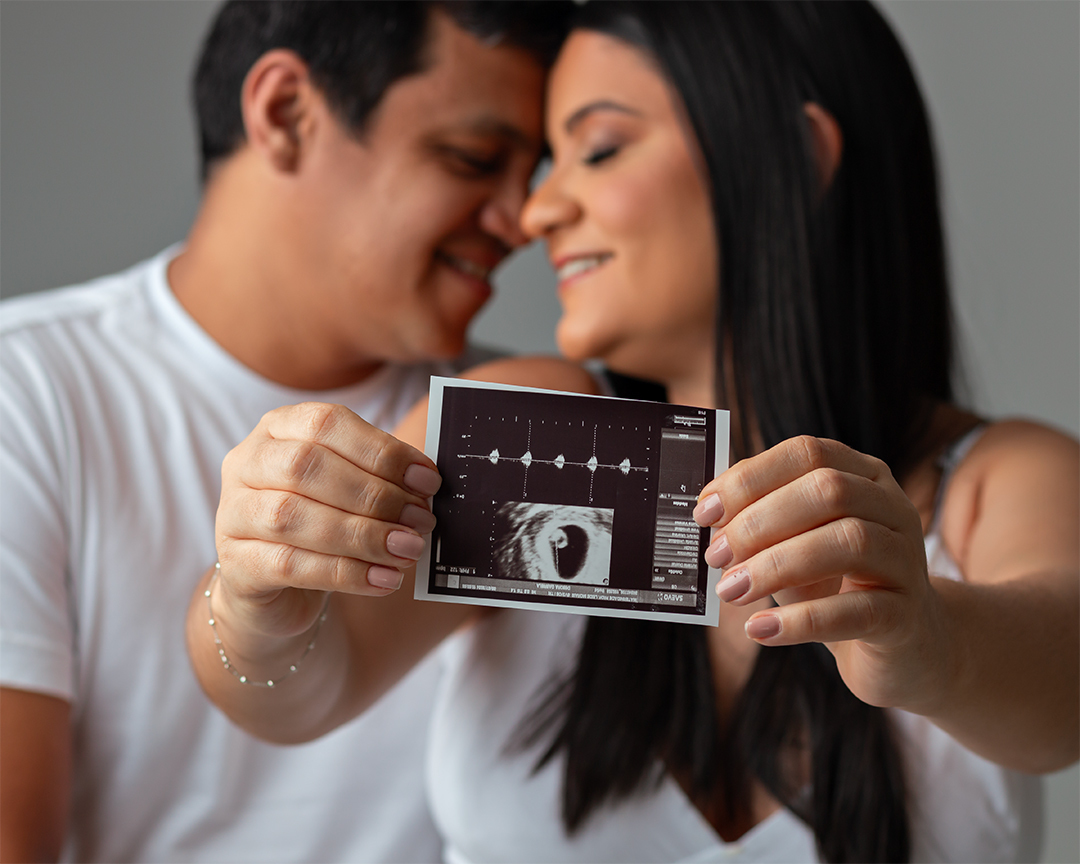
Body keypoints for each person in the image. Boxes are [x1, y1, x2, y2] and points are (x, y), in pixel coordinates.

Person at [186, 2, 1079, 862]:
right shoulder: (531, 426)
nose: (536, 212)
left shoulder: (1002, 478)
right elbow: (302, 694)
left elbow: (1065, 697)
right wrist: (257, 602)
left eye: (601, 148)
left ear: (793, 154)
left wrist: (930, 643)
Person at [0, 1, 572, 860]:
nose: (523, 220)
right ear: (286, 113)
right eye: (473, 158)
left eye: (533, 173)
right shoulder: (26, 393)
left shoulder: (522, 429)